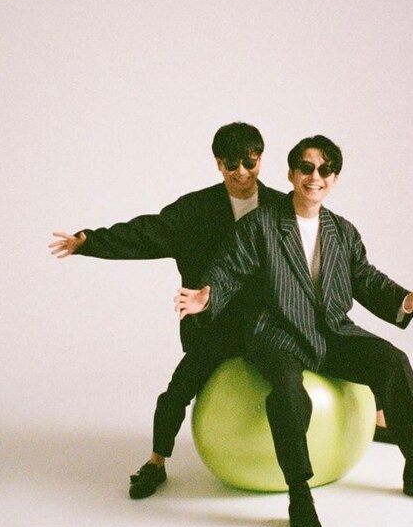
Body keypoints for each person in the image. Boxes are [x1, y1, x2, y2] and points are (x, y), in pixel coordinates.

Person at [176, 134, 413, 527]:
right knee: (288, 392)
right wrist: (208, 295)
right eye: (307, 168)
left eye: (326, 170)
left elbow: (366, 278)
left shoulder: (342, 231)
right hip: (277, 332)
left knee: (392, 361)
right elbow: (229, 267)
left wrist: (406, 300)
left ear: (335, 178)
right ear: (291, 173)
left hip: (331, 331)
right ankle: (299, 494)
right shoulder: (262, 224)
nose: (316, 177)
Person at [49, 122, 286, 498]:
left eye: (249, 162)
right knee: (176, 393)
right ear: (218, 164)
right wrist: (89, 242)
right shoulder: (194, 210)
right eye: (231, 164)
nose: (241, 172)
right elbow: (144, 233)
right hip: (213, 326)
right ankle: (156, 462)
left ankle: (369, 421)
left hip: (269, 325)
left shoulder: (281, 208)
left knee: (303, 373)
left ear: (260, 159)